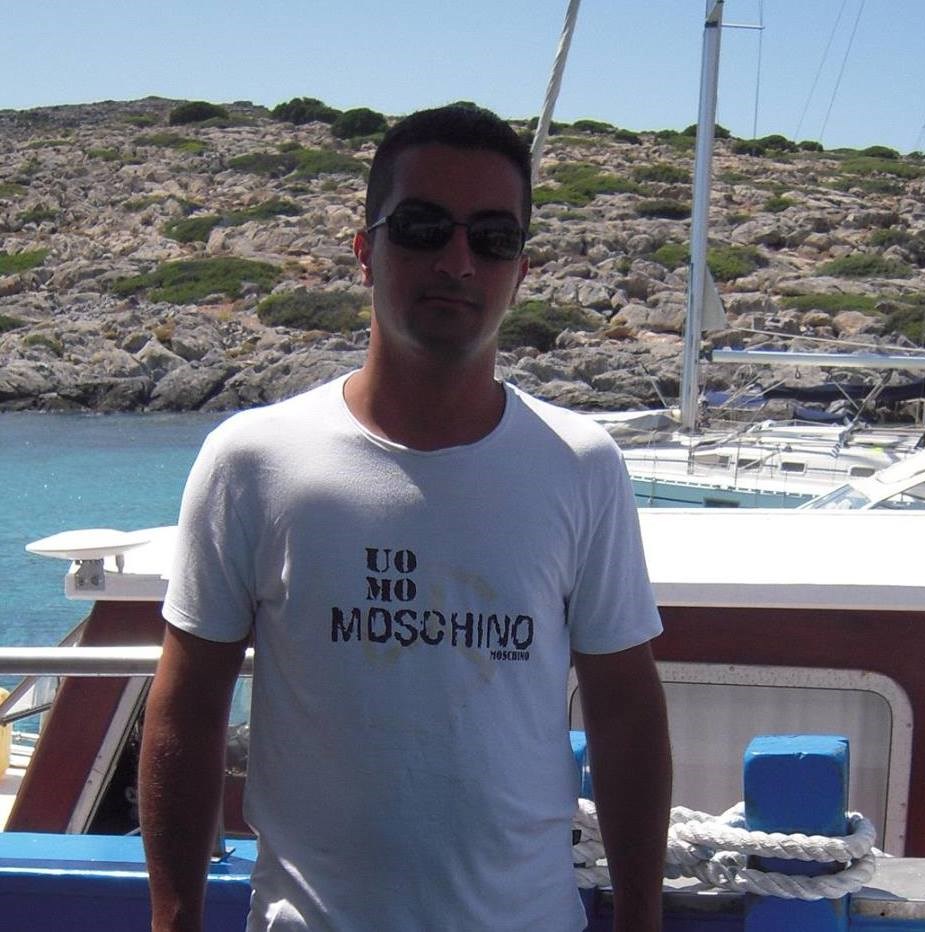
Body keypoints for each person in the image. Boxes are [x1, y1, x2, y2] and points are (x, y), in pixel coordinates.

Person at [139, 104, 672, 932]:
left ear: (520, 270)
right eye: (422, 227)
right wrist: (172, 920)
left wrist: (642, 919)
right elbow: (188, 705)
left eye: (492, 237)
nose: (457, 260)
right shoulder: (253, 459)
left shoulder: (581, 466)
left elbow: (625, 710)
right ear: (365, 250)